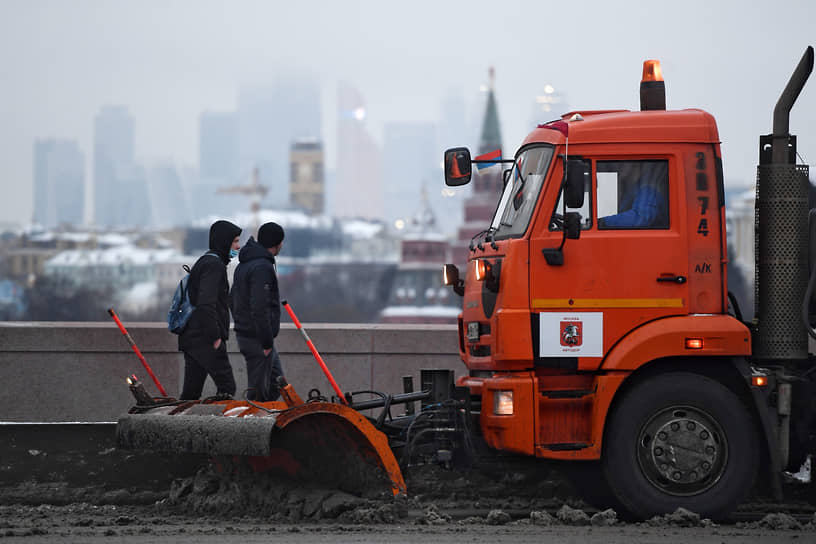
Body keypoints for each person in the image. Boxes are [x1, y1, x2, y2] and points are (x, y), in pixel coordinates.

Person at [178, 219, 242, 400]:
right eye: (235, 241)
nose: (238, 246)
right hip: (205, 339)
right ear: (224, 241)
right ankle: (220, 428)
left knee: (191, 393)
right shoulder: (214, 266)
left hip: (193, 338)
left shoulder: (206, 262)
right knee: (227, 388)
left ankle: (178, 426)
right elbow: (206, 304)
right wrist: (215, 336)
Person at [230, 222, 285, 402]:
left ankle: (266, 421)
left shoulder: (245, 264)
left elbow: (232, 298)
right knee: (258, 394)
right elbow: (260, 307)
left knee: (278, 384)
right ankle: (252, 426)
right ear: (277, 243)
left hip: (251, 335)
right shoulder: (262, 267)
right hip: (258, 339)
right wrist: (266, 342)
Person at [599, 161, 668, 228]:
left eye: (622, 162)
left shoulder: (648, 189)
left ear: (635, 164)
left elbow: (640, 219)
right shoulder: (630, 189)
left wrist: (602, 221)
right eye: (616, 163)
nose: (618, 166)